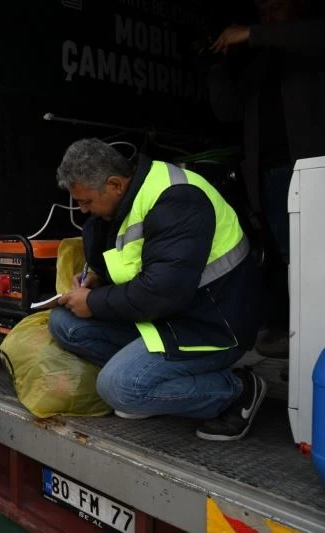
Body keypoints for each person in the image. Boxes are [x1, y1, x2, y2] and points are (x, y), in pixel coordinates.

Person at [48, 139, 266, 441]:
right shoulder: (126, 200)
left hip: (210, 326)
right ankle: (153, 381)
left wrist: (94, 302)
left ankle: (236, 389)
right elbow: (139, 261)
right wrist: (97, 277)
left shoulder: (178, 200)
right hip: (165, 316)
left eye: (86, 202)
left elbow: (163, 291)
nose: (83, 210)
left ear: (114, 185)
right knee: (64, 324)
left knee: (119, 388)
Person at [208, 0, 325, 355]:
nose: (267, 18)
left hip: (312, 168)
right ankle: (294, 337)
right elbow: (227, 110)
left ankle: (313, 342)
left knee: (310, 257)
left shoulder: (309, 44)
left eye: (276, 9)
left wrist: (255, 33)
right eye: (261, 14)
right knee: (282, 257)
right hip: (269, 175)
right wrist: (218, 62)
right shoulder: (259, 65)